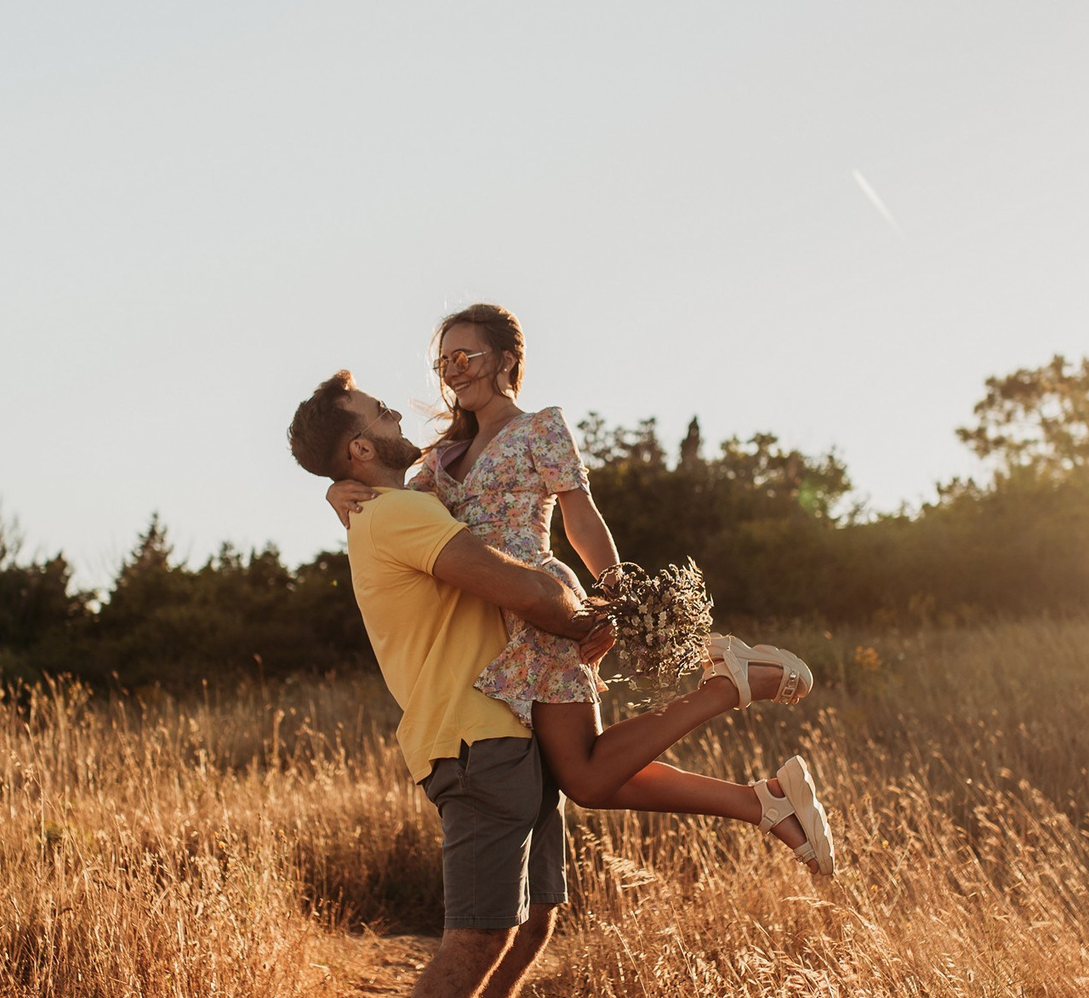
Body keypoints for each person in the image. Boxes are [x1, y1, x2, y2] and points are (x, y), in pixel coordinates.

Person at [286, 372, 826, 998]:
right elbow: (532, 589)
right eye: (379, 413)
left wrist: (587, 627)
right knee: (473, 940)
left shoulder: (394, 501)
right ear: (359, 446)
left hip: (506, 727)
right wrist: (589, 618)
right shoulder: (396, 512)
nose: (399, 413)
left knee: (529, 926)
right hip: (473, 740)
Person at [327, 303, 837, 874]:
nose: (454, 369)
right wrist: (336, 490)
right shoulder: (437, 460)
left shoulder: (539, 427)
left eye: (466, 355)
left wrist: (616, 598)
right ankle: (760, 799)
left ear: (506, 360)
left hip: (542, 606)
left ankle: (730, 688)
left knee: (586, 777)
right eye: (444, 360)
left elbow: (581, 517)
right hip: (489, 620)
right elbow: (387, 493)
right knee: (583, 773)